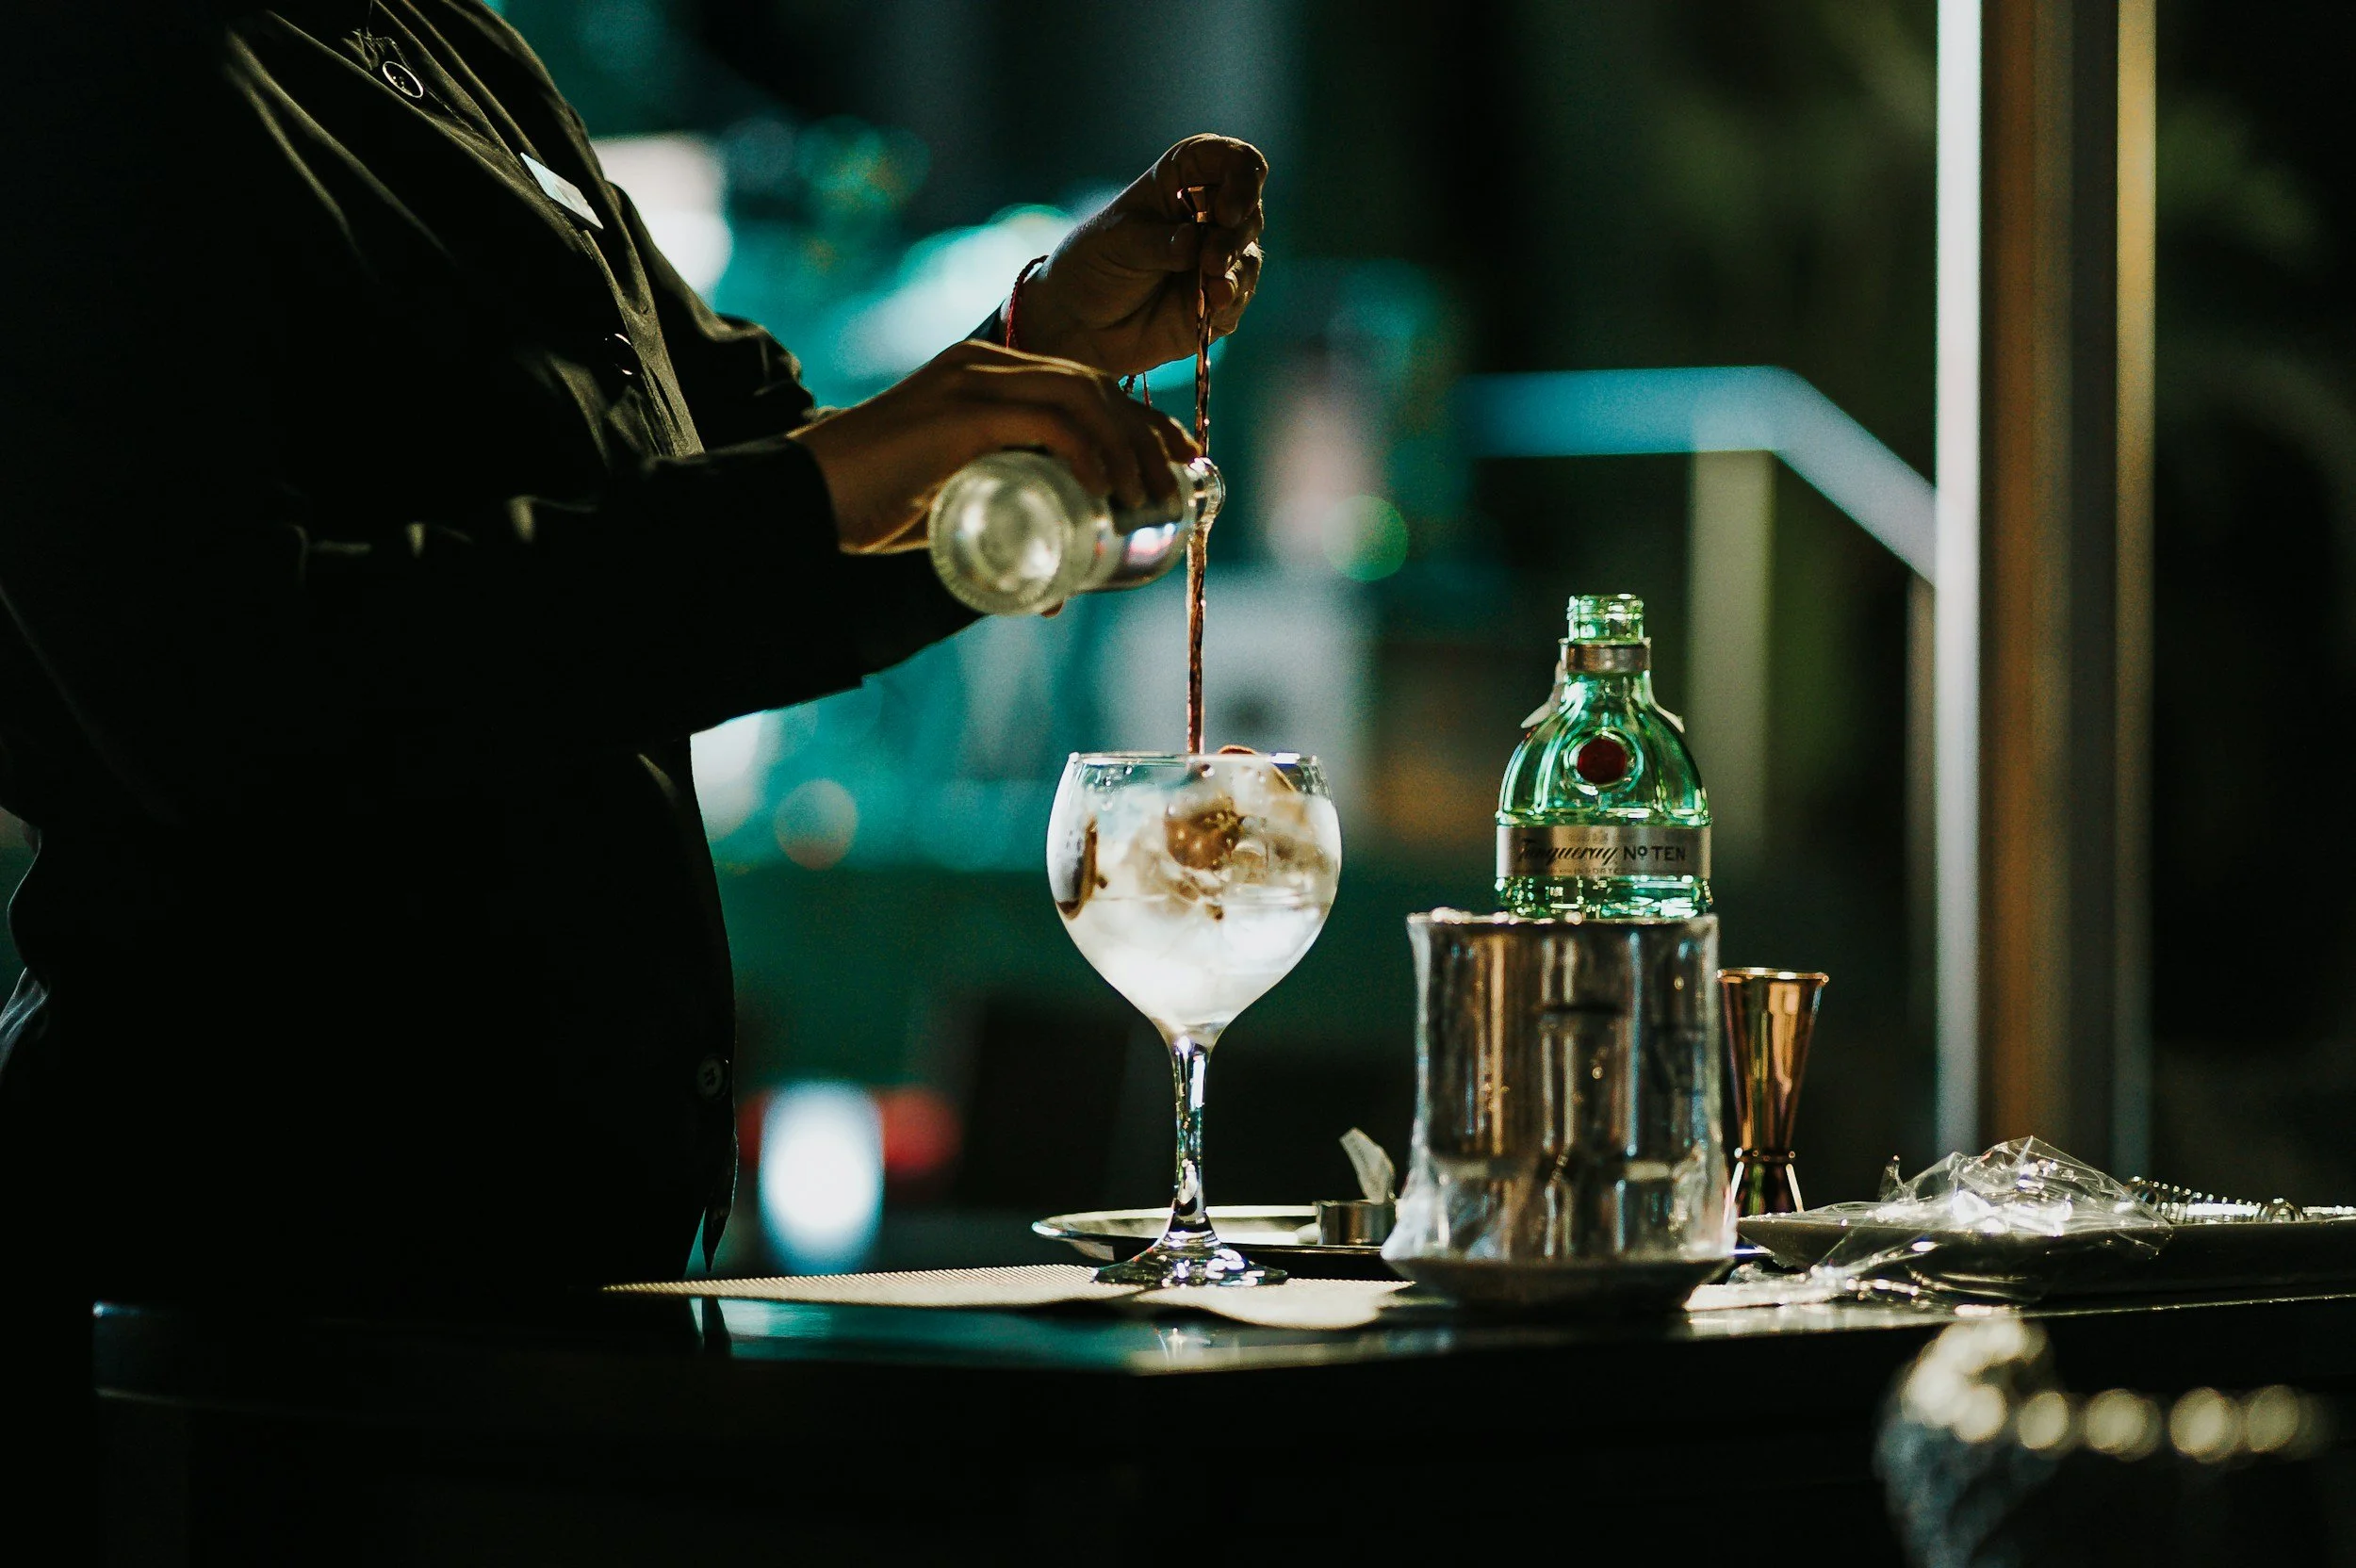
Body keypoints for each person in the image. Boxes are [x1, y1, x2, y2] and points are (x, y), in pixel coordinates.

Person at [0, 0, 1265, 1515]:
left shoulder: (447, 39)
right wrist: (872, 471)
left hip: (565, 1290)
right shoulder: (78, 65)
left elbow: (726, 481)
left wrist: (1036, 356)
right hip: (261, 1287)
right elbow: (224, 692)